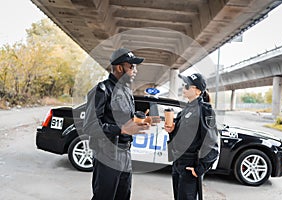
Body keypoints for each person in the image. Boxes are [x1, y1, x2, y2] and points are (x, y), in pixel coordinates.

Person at [85, 48, 150, 200]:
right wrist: (121, 130)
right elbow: (90, 126)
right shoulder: (102, 90)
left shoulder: (126, 92)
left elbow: (122, 119)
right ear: (120, 68)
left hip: (125, 154)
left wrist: (138, 123)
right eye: (131, 66)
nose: (135, 70)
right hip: (107, 155)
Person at [165, 73, 219, 200]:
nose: (184, 87)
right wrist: (172, 130)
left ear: (198, 90)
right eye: (184, 84)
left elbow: (211, 142)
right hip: (178, 163)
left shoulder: (205, 110)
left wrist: (200, 169)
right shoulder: (185, 110)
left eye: (188, 85)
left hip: (190, 165)